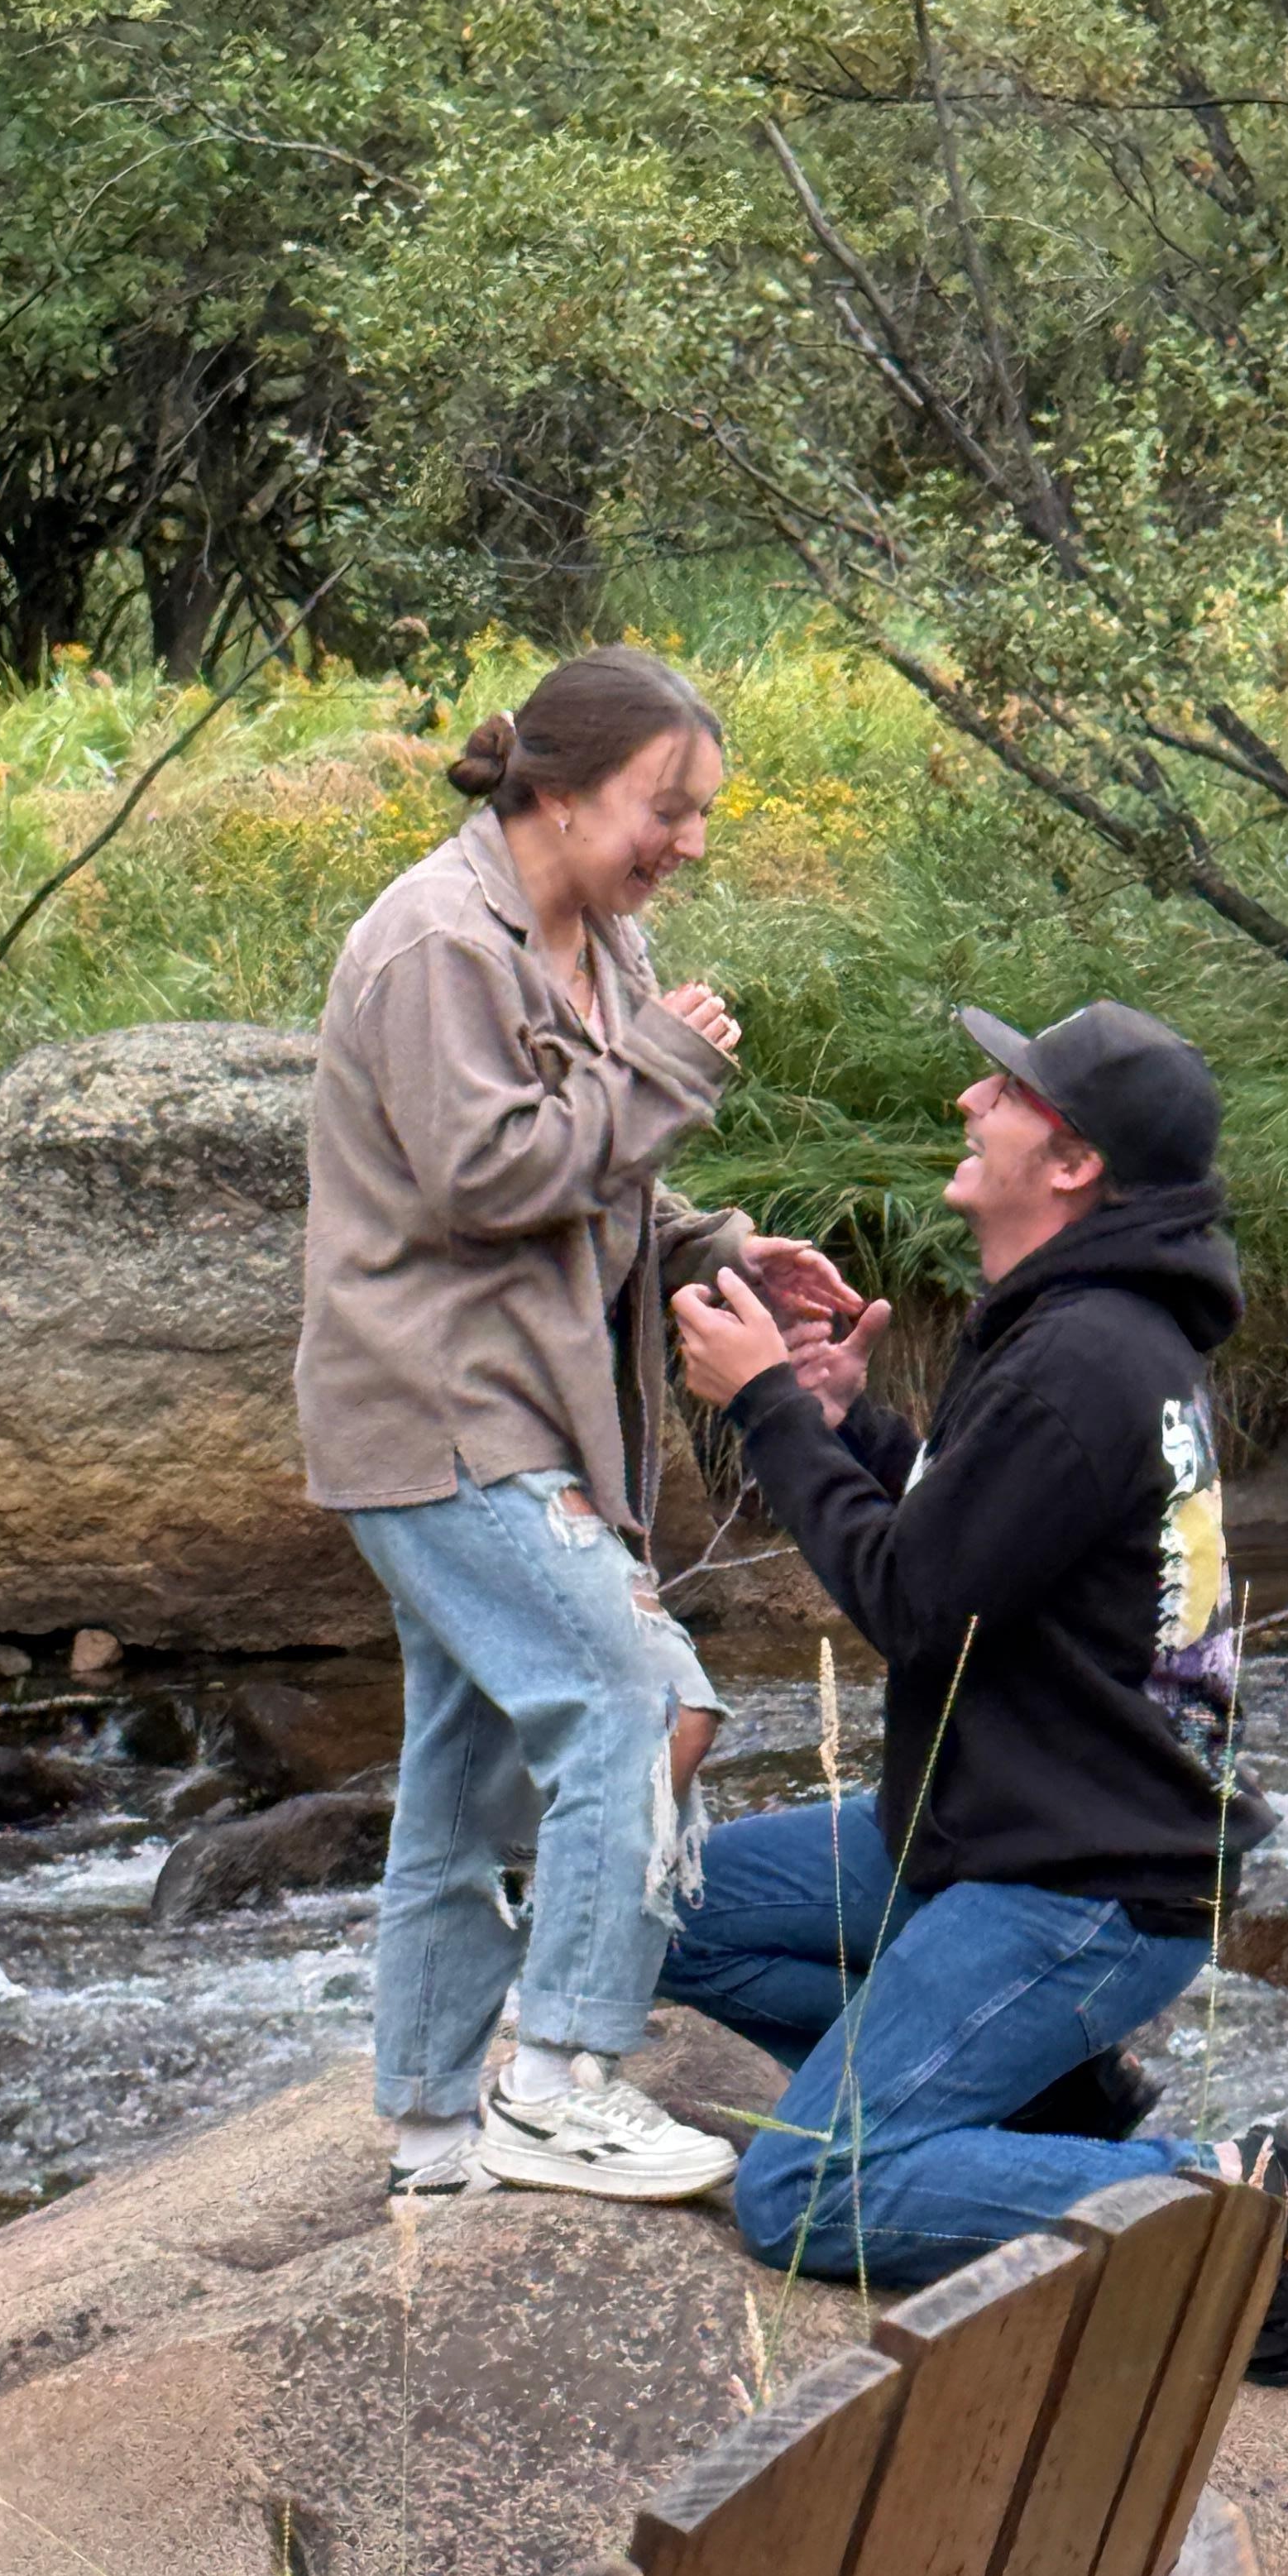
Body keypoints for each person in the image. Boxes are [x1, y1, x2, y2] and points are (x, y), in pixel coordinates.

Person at [665, 998, 1288, 2377]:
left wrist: (768, 1414)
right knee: (661, 1913)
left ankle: (1228, 2198)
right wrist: (854, 1425)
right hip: (990, 1832)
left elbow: (917, 1607)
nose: (972, 1103)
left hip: (1077, 1884)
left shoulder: (1083, 1356)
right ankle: (1042, 2096)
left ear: (1074, 1162)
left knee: (807, 2194)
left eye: (1006, 1091)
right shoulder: (1083, 1334)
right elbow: (982, 1538)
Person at [296, 647, 861, 2210]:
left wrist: (716, 1250)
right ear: (555, 790)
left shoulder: (601, 939)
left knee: (462, 1779)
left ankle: (430, 2131)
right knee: (640, 1700)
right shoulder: (433, 946)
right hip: (442, 1422)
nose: (686, 840)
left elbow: (593, 1178)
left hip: (527, 1422)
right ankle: (559, 2078)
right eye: (664, 808)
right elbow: (489, 1181)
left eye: (697, 814)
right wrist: (667, 1066)